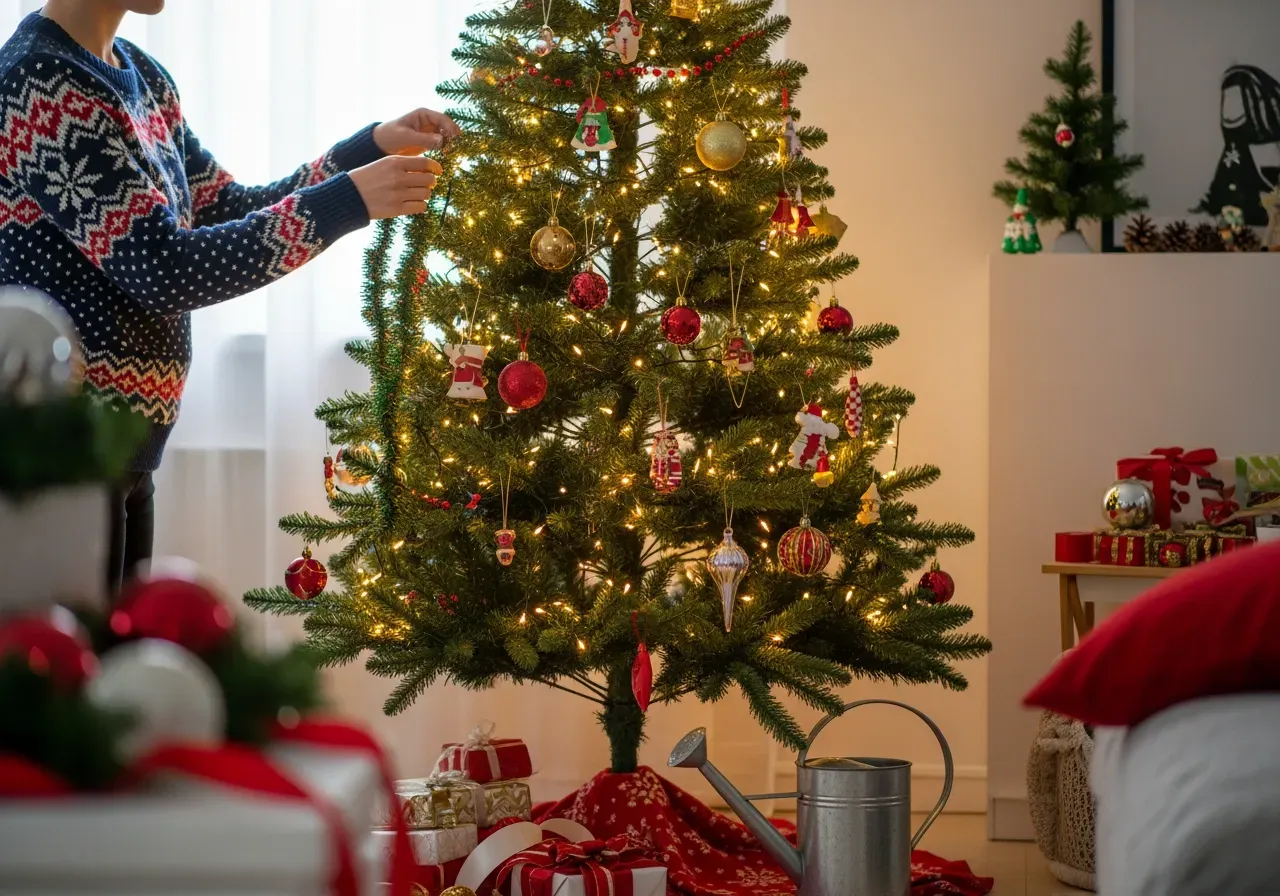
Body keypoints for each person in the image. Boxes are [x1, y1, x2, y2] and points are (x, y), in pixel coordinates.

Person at [0, 0, 459, 596]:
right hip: (65, 455)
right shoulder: (39, 83)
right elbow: (162, 268)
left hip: (124, 450)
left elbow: (227, 209)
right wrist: (349, 199)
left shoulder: (141, 74)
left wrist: (367, 150)